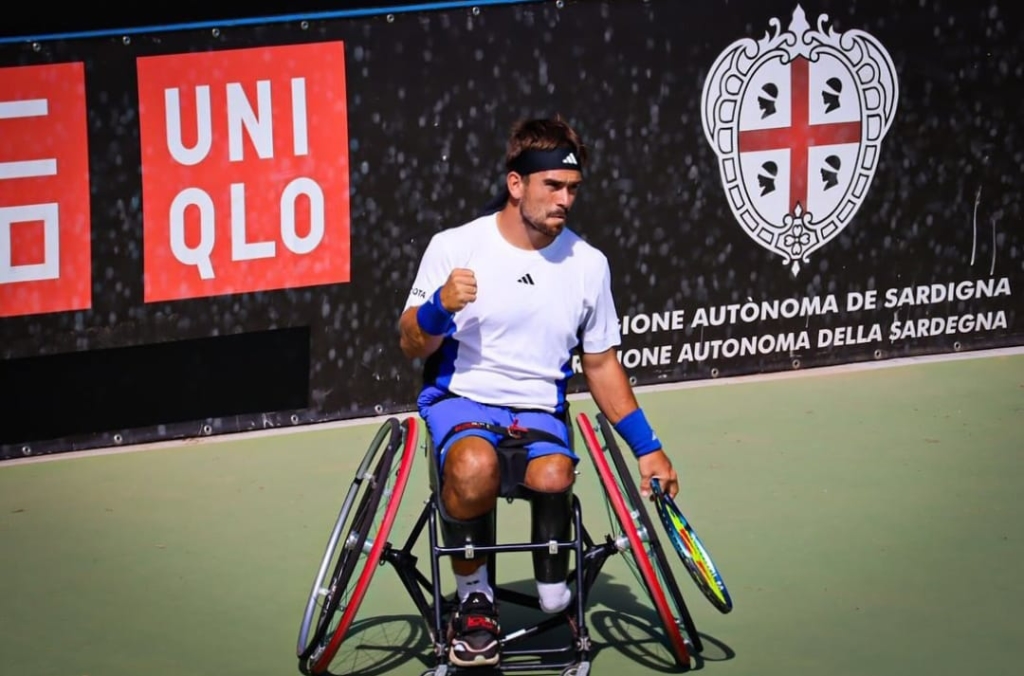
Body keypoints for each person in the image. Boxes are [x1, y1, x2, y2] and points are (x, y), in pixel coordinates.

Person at [398, 116, 679, 668]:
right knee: (475, 464)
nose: (565, 199)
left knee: (555, 474)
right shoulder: (455, 247)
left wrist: (647, 446)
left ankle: (553, 576)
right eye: (553, 186)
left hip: (538, 407)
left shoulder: (588, 265)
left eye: (573, 188)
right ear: (516, 184)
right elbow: (412, 342)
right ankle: (475, 597)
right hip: (463, 398)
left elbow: (600, 364)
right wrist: (437, 307)